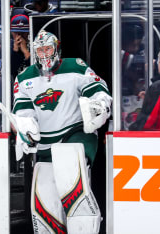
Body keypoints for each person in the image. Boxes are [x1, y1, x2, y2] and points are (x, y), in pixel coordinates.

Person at [12, 30, 112, 233]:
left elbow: (98, 89)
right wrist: (25, 126)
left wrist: (99, 104)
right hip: (46, 143)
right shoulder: (24, 77)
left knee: (72, 184)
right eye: (40, 50)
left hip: (76, 135)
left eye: (48, 48)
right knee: (45, 201)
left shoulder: (75, 66)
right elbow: (22, 109)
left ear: (56, 48)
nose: (44, 54)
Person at [10, 13, 31, 78]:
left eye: (23, 33)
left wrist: (26, 52)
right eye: (16, 33)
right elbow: (10, 72)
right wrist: (15, 52)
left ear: (29, 32)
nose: (19, 36)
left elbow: (36, 70)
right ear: (11, 32)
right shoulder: (7, 46)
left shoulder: (35, 45)